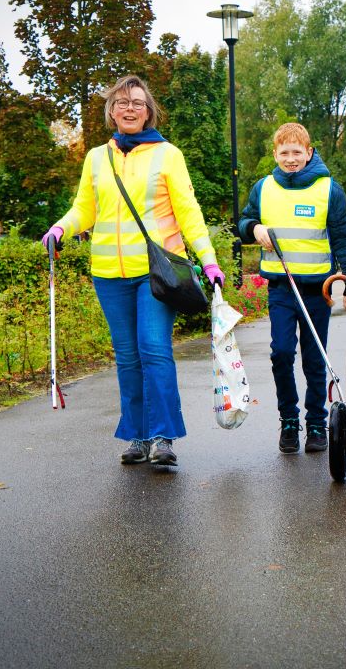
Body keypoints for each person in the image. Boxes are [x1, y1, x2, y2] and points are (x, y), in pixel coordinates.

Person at [41, 75, 223, 467]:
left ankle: (162, 437)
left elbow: (188, 212)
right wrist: (60, 227)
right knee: (127, 357)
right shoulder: (96, 157)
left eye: (137, 103)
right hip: (108, 273)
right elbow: (84, 210)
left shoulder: (167, 154)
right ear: (111, 111)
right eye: (121, 102)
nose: (129, 108)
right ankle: (137, 436)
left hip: (155, 273)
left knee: (154, 350)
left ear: (148, 111)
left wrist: (208, 258)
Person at [239, 123, 346, 454]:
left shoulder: (329, 190)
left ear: (309, 152)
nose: (291, 159)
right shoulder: (263, 189)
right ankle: (289, 420)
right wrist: (255, 227)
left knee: (314, 359)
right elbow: (244, 224)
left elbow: (343, 237)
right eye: (284, 153)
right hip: (281, 288)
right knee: (281, 353)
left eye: (297, 152)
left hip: (318, 290)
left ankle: (316, 422)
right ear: (275, 154)